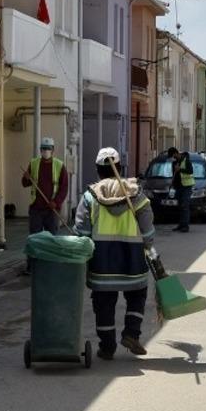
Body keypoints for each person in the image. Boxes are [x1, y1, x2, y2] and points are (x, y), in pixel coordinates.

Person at [75, 147, 155, 360]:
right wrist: (149, 247)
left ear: (98, 170)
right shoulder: (136, 194)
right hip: (133, 261)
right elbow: (147, 230)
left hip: (101, 263)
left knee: (103, 303)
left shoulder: (90, 196)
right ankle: (131, 333)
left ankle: (107, 346)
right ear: (119, 167)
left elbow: (81, 233)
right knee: (137, 295)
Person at [21, 137, 69, 235]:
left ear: (53, 150)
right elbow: (25, 184)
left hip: (52, 209)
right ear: (40, 150)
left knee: (51, 238)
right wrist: (26, 177)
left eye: (48, 148)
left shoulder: (59, 166)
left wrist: (56, 202)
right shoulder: (33, 163)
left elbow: (64, 188)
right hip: (36, 208)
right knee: (35, 238)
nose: (46, 151)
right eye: (44, 148)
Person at [167, 146, 195, 232]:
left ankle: (185, 226)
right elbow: (175, 175)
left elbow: (190, 171)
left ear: (176, 153)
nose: (172, 158)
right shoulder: (174, 163)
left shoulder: (186, 160)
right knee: (180, 206)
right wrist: (172, 185)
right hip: (178, 187)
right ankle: (181, 225)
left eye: (173, 156)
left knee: (185, 206)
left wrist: (180, 169)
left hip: (187, 186)